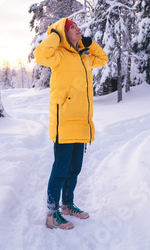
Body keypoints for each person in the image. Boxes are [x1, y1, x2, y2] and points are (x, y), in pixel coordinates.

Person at [34, 17, 108, 229]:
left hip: (82, 123)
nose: (78, 29)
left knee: (74, 170)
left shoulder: (85, 57)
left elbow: (103, 59)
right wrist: (55, 35)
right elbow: (40, 54)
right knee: (60, 170)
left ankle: (67, 205)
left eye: (78, 26)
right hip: (64, 122)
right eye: (72, 27)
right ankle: (51, 214)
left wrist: (89, 44)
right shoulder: (57, 55)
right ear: (64, 33)